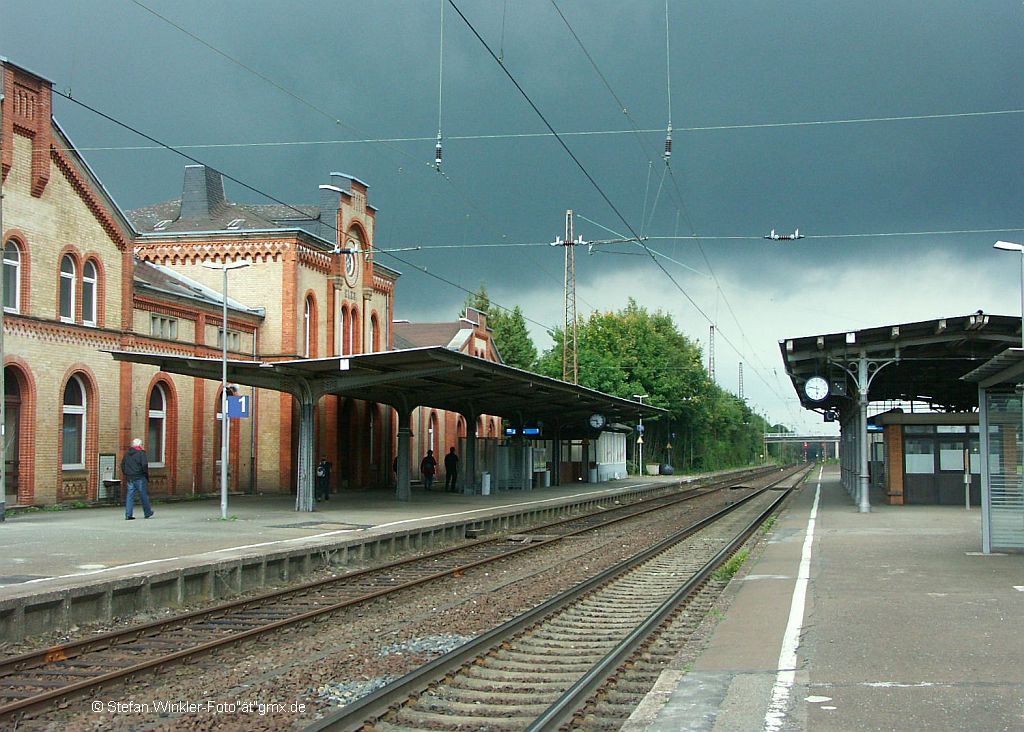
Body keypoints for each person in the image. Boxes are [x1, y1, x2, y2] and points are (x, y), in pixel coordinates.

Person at [121, 438, 154, 520]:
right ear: (140, 445)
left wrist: (127, 473)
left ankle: (128, 514)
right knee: (143, 495)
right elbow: (144, 465)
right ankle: (147, 512)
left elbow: (122, 465)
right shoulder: (141, 453)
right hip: (140, 477)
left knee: (130, 496)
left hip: (130, 477)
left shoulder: (127, 454)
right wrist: (145, 475)